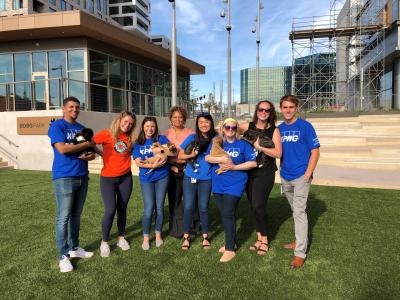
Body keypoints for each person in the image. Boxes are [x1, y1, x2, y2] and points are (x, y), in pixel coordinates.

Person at [48, 96, 96, 273]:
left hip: (83, 176)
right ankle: (63, 256)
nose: (74, 110)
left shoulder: (82, 128)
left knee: (76, 215)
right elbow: (62, 149)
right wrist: (86, 144)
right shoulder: (57, 126)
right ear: (63, 108)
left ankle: (74, 248)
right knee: (64, 217)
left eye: (77, 107)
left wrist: (90, 154)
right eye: (71, 107)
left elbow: (91, 153)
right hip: (64, 177)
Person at [205, 118, 257, 262]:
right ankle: (231, 241)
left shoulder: (243, 145)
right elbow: (208, 158)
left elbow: (253, 162)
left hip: (235, 184)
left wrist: (234, 167)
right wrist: (222, 159)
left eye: (233, 128)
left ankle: (229, 249)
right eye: (227, 127)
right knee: (226, 214)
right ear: (223, 129)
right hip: (218, 184)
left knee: (228, 213)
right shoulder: (218, 143)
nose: (230, 130)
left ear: (237, 130)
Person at [278, 94, 320, 268]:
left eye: (291, 107)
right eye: (285, 107)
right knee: (295, 210)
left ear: (297, 108)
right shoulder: (278, 129)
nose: (288, 110)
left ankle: (300, 253)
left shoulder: (305, 126)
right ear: (281, 109)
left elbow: (315, 151)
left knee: (299, 213)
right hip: (285, 176)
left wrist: (308, 173)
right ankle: (299, 240)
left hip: (301, 176)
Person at [240, 100, 282, 256]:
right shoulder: (247, 126)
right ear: (256, 111)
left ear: (271, 113)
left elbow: (278, 153)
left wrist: (260, 147)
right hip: (248, 171)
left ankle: (264, 240)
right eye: (261, 109)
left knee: (258, 205)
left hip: (265, 172)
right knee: (253, 206)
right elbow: (227, 128)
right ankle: (259, 237)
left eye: (267, 110)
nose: (264, 112)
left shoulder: (274, 131)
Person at [93, 111, 136, 257]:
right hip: (108, 179)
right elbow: (90, 142)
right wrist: (99, 153)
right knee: (110, 210)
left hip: (125, 178)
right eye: (125, 121)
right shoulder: (106, 134)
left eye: (130, 123)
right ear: (119, 120)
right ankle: (104, 242)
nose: (127, 125)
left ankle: (121, 237)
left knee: (122, 208)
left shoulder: (130, 138)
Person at [133, 116, 172, 250]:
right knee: (149, 208)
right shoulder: (138, 142)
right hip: (146, 178)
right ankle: (145, 237)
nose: (150, 129)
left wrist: (162, 153)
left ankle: (158, 235)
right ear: (143, 127)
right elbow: (138, 161)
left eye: (152, 126)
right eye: (147, 126)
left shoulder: (161, 139)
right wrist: (152, 166)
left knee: (159, 207)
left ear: (155, 128)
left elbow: (172, 151)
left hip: (162, 176)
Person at [179, 113, 216, 250]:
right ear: (197, 124)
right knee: (188, 207)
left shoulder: (216, 138)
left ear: (211, 123)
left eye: (206, 122)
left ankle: (205, 236)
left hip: (206, 178)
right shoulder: (192, 137)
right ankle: (186, 236)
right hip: (190, 177)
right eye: (201, 122)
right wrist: (192, 155)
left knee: (204, 207)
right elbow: (180, 155)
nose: (204, 124)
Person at [163, 106, 194, 238]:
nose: (177, 119)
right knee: (174, 200)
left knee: (189, 200)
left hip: (188, 167)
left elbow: (193, 153)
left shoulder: (191, 133)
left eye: (180, 117)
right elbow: (163, 154)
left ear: (184, 119)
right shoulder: (165, 135)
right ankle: (176, 229)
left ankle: (191, 227)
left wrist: (187, 166)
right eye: (175, 117)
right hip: (171, 168)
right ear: (171, 118)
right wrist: (171, 166)